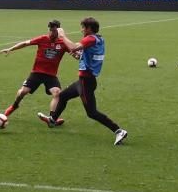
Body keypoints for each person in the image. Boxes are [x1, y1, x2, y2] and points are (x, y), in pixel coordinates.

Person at [37, 17, 128, 146]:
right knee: (62, 96)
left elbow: (73, 47)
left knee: (92, 112)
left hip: (86, 82)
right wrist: (79, 56)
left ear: (89, 28)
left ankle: (118, 130)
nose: (82, 30)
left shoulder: (90, 38)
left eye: (83, 27)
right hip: (84, 81)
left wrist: (62, 36)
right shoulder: (98, 39)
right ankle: (53, 119)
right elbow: (87, 55)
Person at [0, 19, 68, 121]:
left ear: (59, 30)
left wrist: (79, 55)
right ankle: (14, 106)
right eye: (50, 30)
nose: (51, 32)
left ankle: (52, 118)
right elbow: (25, 43)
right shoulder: (43, 38)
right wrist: (10, 49)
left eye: (53, 30)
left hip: (51, 75)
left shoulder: (63, 43)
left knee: (57, 93)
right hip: (37, 73)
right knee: (23, 92)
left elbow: (74, 50)